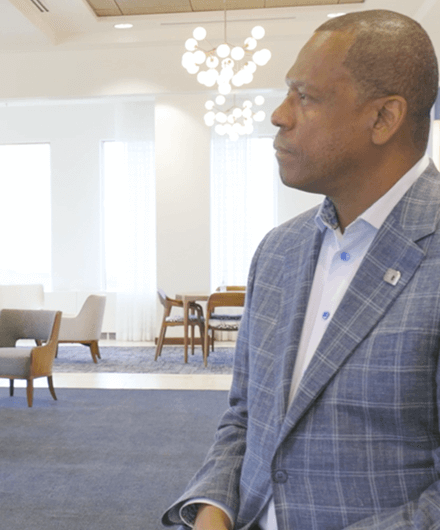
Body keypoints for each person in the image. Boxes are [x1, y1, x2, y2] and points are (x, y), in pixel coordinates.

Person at [163, 9, 440, 530]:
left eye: (304, 96)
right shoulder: (278, 250)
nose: (278, 115)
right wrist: (212, 510)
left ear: (383, 118)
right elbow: (245, 416)